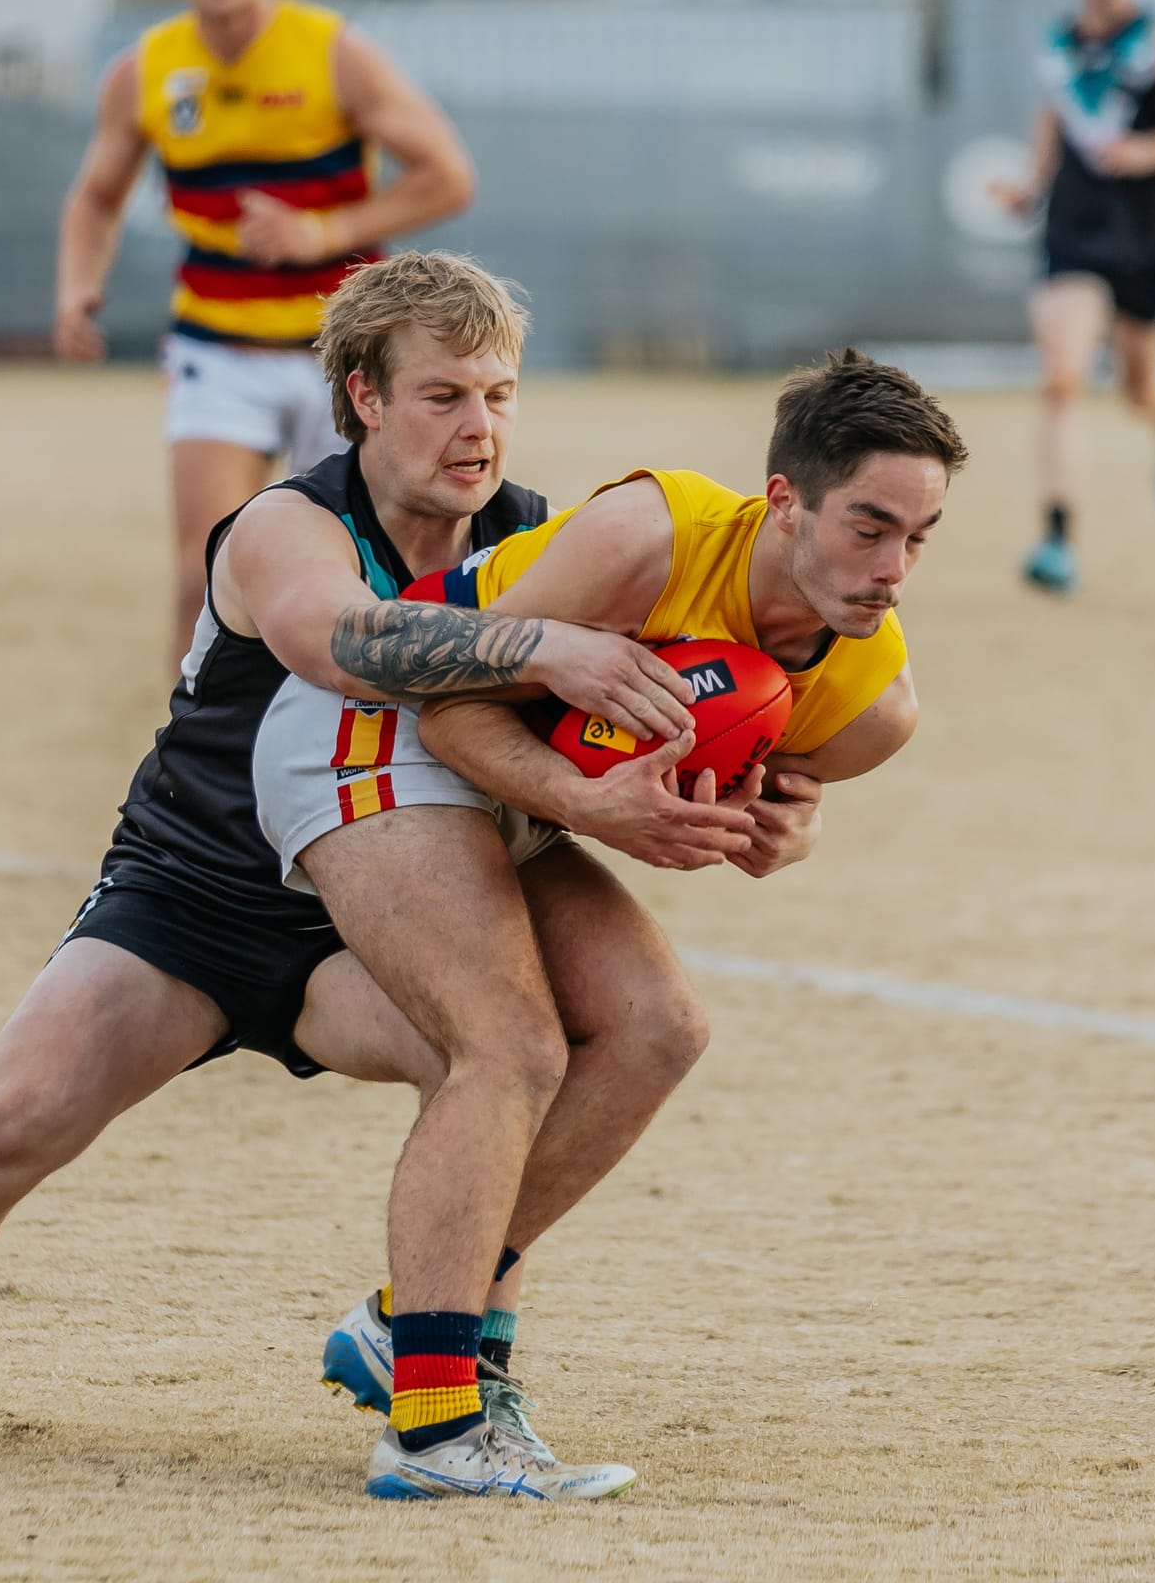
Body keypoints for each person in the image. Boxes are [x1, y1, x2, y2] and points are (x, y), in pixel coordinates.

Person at [0, 253, 747, 1502]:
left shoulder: (535, 537)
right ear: (360, 395)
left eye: (499, 397)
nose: (478, 429)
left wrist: (738, 792)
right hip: (193, 901)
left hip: (386, 908)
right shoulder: (282, 526)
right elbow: (345, 642)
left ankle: (449, 1361)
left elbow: (622, 716)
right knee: (8, 1124)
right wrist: (550, 644)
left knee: (511, 1062)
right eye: (442, 396)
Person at [254, 348, 969, 1488]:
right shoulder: (653, 537)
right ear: (782, 501)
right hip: (374, 731)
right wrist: (592, 803)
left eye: (919, 537)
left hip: (507, 781)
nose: (891, 568)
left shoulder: (871, 701)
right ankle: (436, 1428)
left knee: (658, 1027)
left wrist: (784, 828)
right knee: (509, 1046)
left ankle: (409, 1324)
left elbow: (778, 787)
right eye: (867, 526)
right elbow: (444, 713)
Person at [54, 0, 475, 666]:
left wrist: (325, 231)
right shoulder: (143, 70)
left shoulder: (336, 53)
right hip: (216, 351)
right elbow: (98, 196)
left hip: (345, 362)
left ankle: (352, 747)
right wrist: (77, 287)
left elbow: (449, 176)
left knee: (363, 570)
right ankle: (190, 764)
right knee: (204, 573)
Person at [993, 0, 1155, 596]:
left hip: (1140, 239)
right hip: (1070, 233)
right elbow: (1054, 116)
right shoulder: (1060, 43)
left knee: (1141, 389)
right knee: (1061, 379)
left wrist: (1150, 151)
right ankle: (1057, 538)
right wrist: (1030, 185)